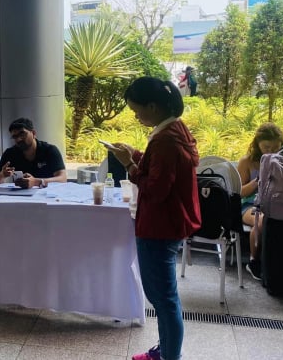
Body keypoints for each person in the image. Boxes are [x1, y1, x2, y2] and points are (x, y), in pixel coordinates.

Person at [106, 77, 200, 360]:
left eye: (137, 110)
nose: (136, 115)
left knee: (164, 300)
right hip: (169, 223)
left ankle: (170, 356)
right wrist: (134, 154)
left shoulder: (165, 140)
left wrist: (130, 166)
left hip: (159, 226)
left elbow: (156, 189)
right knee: (164, 298)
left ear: (153, 106)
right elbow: (162, 170)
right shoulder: (174, 130)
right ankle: (166, 350)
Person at [237, 122, 283, 281]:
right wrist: (258, 181)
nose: (271, 151)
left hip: (277, 202)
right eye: (266, 147)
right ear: (257, 145)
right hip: (249, 204)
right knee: (262, 220)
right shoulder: (247, 161)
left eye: (276, 148)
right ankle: (254, 261)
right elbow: (239, 192)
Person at [0, 117, 66, 188]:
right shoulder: (10, 153)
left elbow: (62, 179)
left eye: (22, 134)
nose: (19, 139)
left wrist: (37, 182)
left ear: (33, 133)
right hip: (20, 196)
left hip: (48, 194)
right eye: (15, 136)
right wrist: (2, 175)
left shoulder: (50, 150)